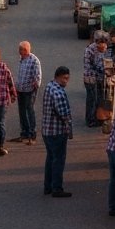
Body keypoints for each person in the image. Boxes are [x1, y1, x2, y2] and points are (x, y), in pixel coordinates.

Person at [41, 66, 74, 198]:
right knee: (59, 160)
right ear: (58, 77)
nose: (66, 81)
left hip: (46, 130)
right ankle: (56, 188)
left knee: (50, 158)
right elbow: (64, 114)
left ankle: (47, 186)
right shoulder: (59, 93)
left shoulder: (50, 86)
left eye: (67, 79)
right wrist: (69, 123)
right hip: (57, 131)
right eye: (64, 78)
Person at [14, 41, 41, 144]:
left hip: (30, 90)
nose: (19, 51)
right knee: (22, 112)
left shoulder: (34, 60)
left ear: (25, 50)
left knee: (30, 111)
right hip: (20, 89)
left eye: (20, 49)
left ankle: (32, 133)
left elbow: (38, 75)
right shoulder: (21, 60)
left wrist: (35, 84)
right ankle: (24, 132)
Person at [83, 31, 109, 127]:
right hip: (91, 78)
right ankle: (90, 120)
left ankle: (97, 117)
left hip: (98, 78)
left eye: (104, 42)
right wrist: (106, 70)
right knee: (92, 99)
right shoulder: (92, 50)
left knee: (98, 99)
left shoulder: (100, 49)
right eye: (101, 42)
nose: (102, 44)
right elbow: (97, 65)